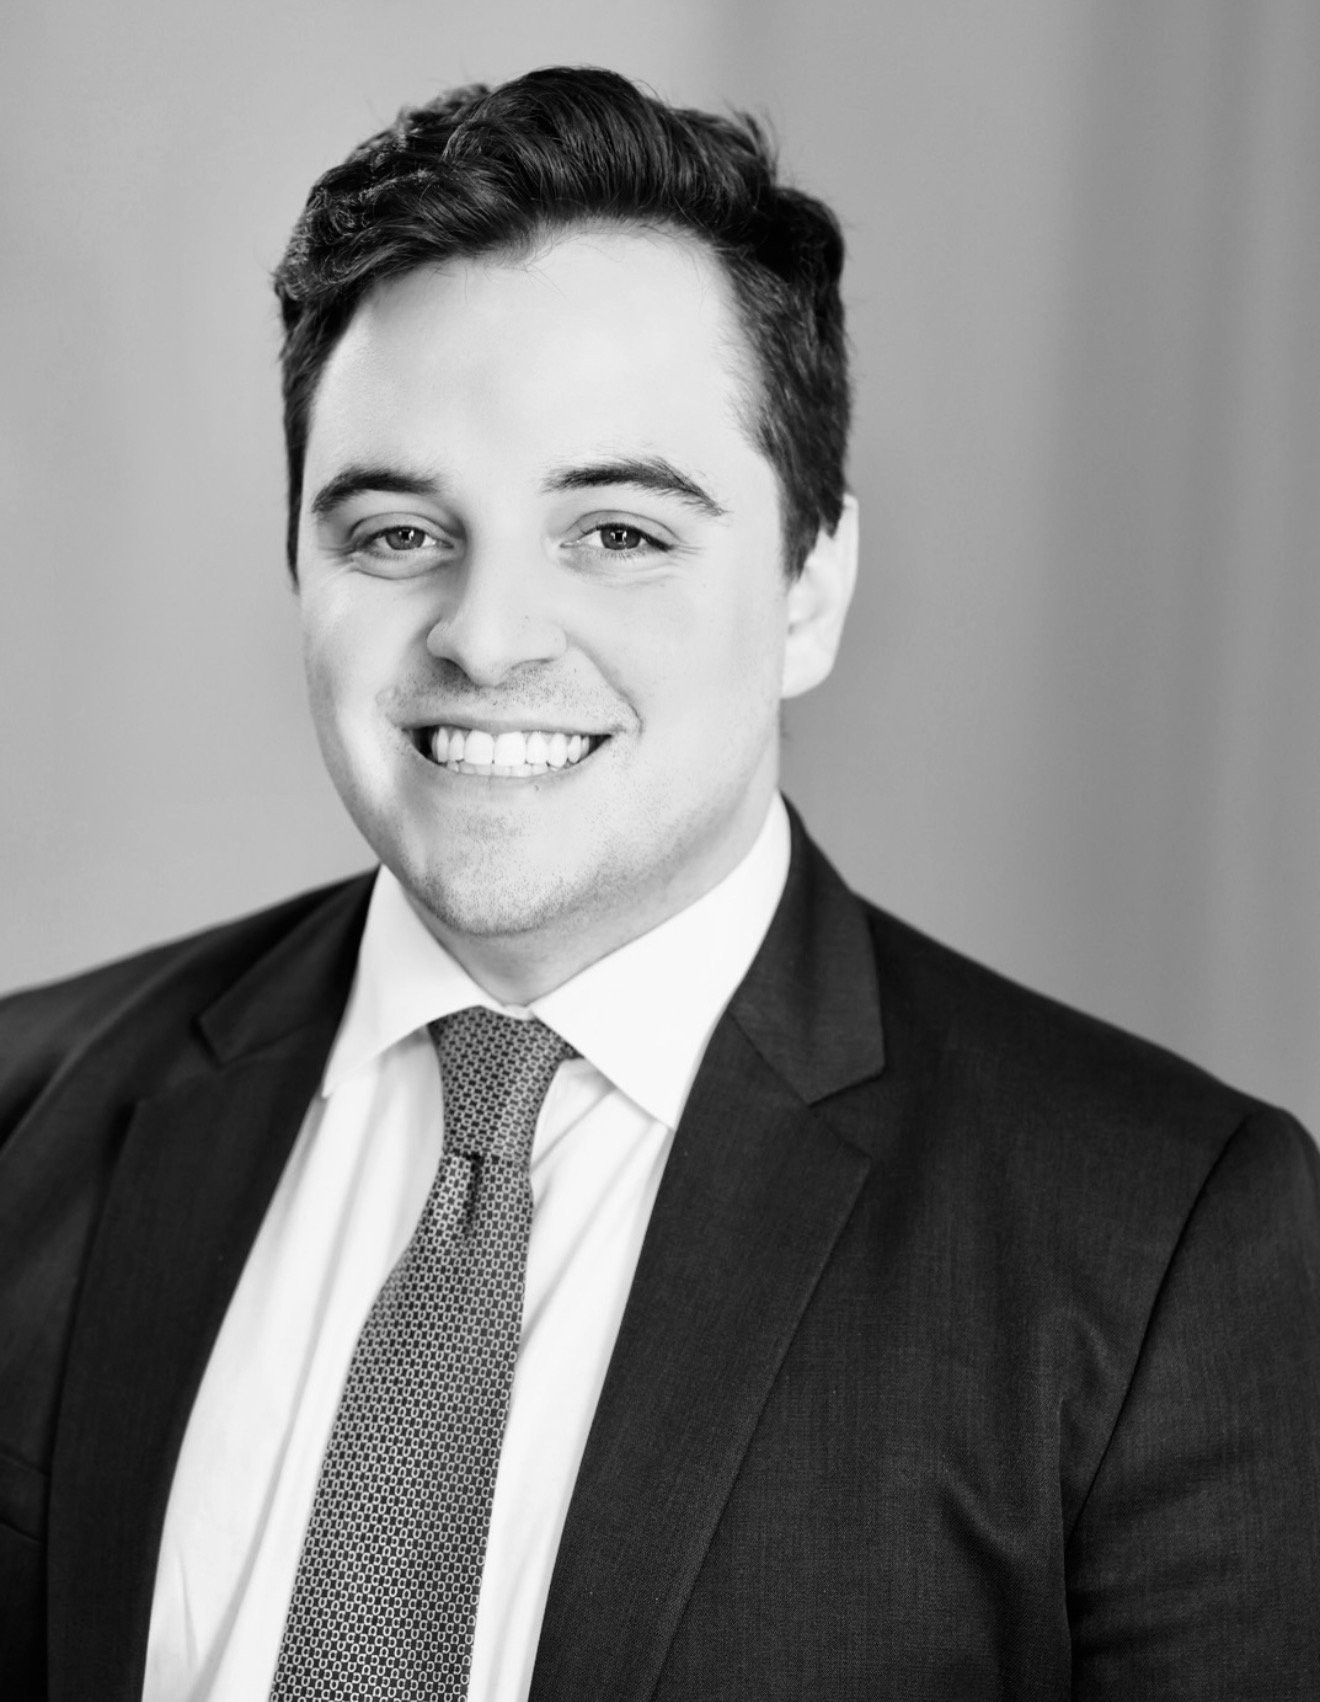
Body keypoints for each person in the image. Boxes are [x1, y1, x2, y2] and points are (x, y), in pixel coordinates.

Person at [1, 65, 1317, 1702]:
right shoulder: (27, 1119)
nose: (486, 636)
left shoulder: (1153, 1246)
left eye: (616, 532)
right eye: (399, 532)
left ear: (810, 585)